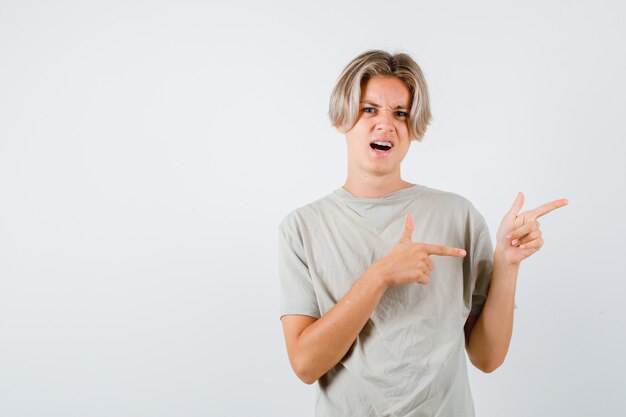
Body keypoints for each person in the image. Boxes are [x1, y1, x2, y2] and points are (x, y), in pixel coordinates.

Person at [278, 50, 568, 417]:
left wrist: (507, 262)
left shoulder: (457, 215)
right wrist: (380, 275)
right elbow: (305, 364)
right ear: (341, 119)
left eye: (400, 113)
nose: (386, 124)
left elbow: (487, 357)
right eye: (369, 110)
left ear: (413, 127)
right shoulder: (302, 228)